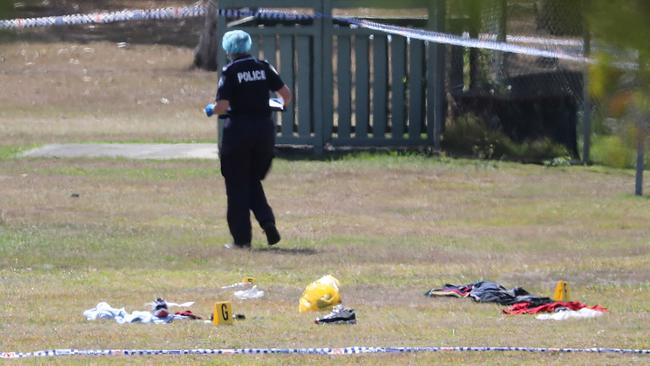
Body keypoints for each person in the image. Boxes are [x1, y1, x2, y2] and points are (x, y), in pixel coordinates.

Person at [210, 30, 292, 249]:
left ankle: (241, 240)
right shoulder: (263, 66)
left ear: (228, 49)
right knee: (250, 180)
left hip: (238, 132)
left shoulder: (230, 71)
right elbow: (286, 95)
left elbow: (223, 106)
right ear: (247, 46)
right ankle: (267, 222)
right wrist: (280, 106)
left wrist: (210, 109)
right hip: (264, 132)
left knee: (237, 185)